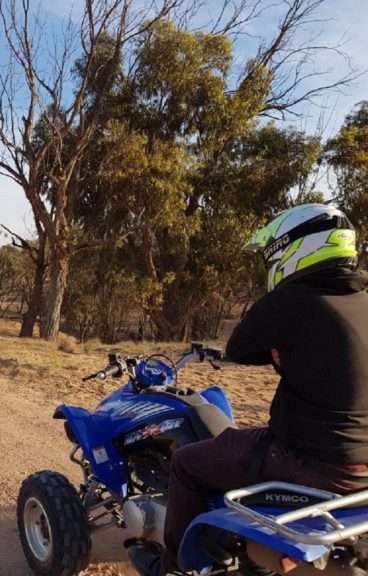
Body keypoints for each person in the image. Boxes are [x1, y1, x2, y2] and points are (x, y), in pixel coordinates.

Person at [127, 203, 368, 576]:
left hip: (311, 460)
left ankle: (172, 567)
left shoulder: (289, 301)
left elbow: (240, 348)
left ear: (293, 250)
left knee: (187, 463)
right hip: (362, 468)